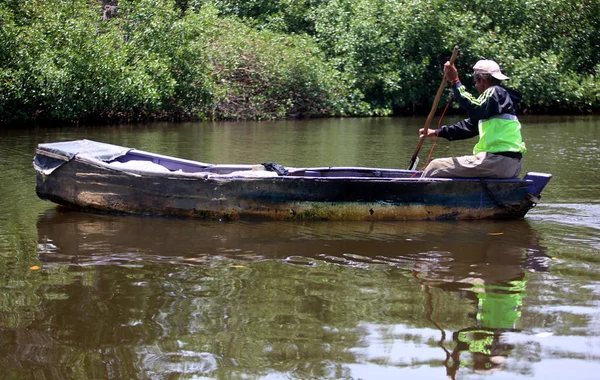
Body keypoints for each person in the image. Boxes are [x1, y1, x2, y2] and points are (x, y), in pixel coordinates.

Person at [420, 59, 526, 178]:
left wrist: (455, 81)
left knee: (435, 166)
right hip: (511, 165)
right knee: (441, 167)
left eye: (475, 81)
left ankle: (417, 194)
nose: (475, 85)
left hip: (498, 162)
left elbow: (473, 108)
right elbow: (469, 127)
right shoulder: (496, 103)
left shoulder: (495, 91)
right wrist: (436, 132)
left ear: (482, 79)